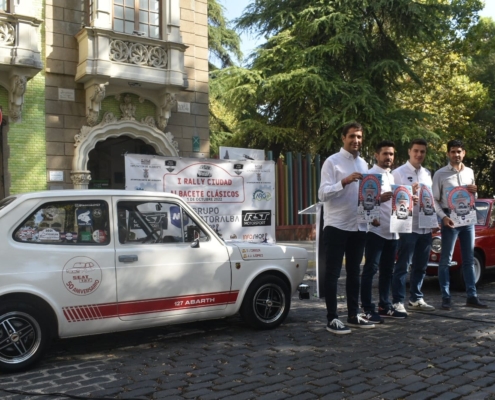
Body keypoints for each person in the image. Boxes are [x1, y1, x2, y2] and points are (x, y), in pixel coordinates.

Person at [318, 122, 374, 334]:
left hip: (359, 225)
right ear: (343, 138)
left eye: (359, 137)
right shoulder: (332, 162)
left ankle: (353, 315)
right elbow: (322, 194)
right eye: (352, 136)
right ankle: (332, 318)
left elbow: (366, 195)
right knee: (333, 274)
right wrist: (344, 181)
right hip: (337, 225)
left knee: (354, 273)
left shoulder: (364, 164)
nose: (356, 140)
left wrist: (373, 214)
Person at [432, 139, 488, 310]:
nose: (456, 155)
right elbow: (434, 199)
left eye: (459, 151)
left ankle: (472, 296)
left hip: (468, 218)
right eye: (453, 151)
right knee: (446, 260)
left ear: (464, 153)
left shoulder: (470, 171)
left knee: (469, 259)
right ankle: (446, 297)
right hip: (450, 219)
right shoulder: (440, 174)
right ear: (448, 153)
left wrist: (475, 191)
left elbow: (473, 197)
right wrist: (443, 217)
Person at [360, 141, 407, 323]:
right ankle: (367, 308)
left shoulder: (392, 177)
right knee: (370, 270)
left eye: (392, 154)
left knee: (388, 270)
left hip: (393, 231)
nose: (389, 158)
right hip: (375, 231)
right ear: (376, 155)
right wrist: (379, 199)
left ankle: (384, 305)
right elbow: (363, 203)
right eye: (385, 154)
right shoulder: (370, 175)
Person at [391, 139, 436, 313]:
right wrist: (409, 193)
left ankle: (416, 298)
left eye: (422, 152)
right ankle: (398, 300)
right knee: (403, 265)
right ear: (409, 151)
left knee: (421, 265)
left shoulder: (427, 173)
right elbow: (393, 199)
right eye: (416, 151)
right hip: (407, 226)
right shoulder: (398, 173)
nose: (419, 154)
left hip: (425, 226)